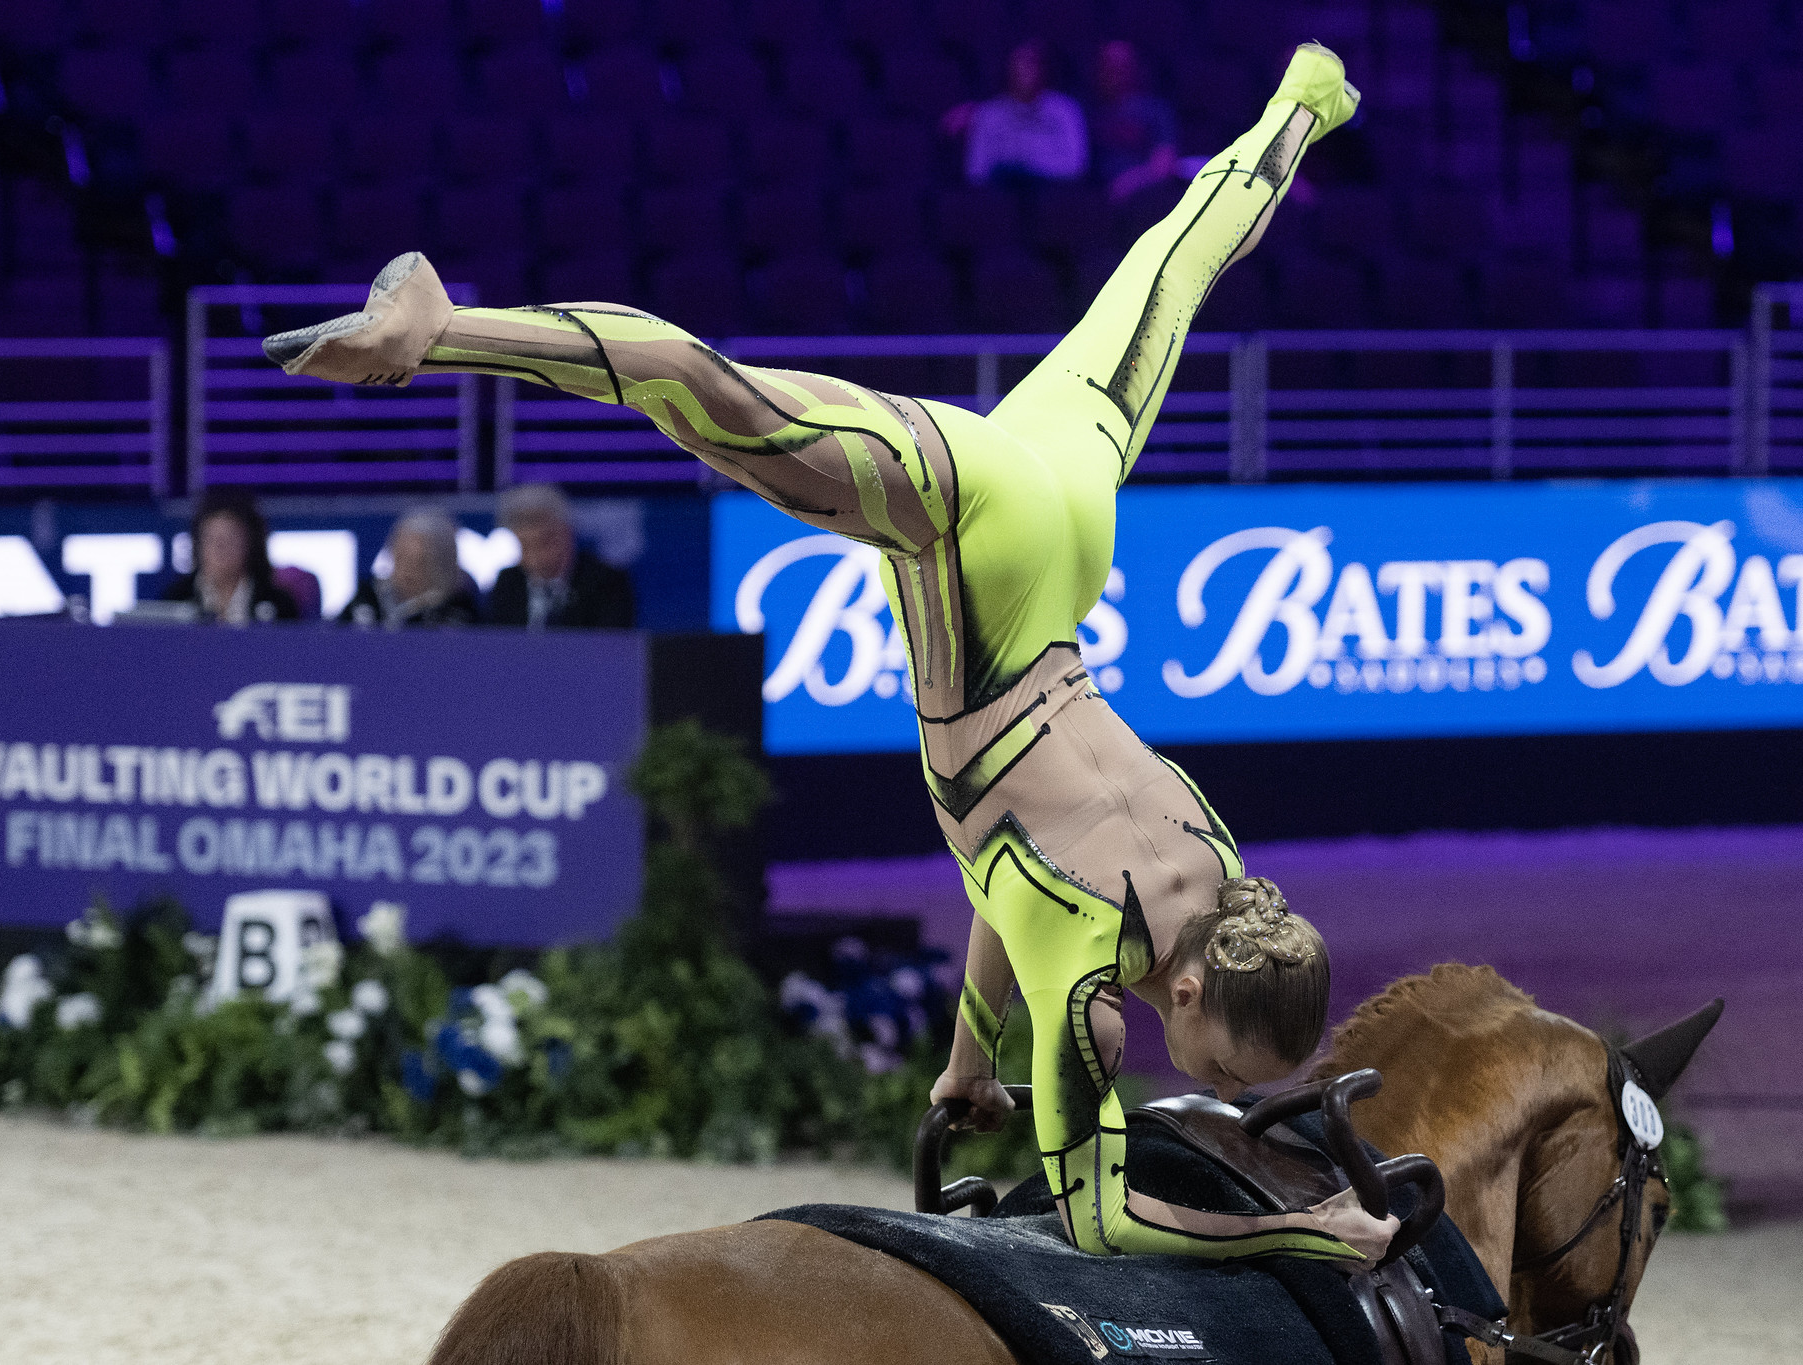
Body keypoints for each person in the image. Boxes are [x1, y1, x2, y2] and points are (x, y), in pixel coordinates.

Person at [264, 45, 1392, 1264]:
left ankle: (1297, 103)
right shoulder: (1088, 969)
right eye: (1220, 1069)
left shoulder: (1220, 865)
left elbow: (1003, 876)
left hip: (1067, 511)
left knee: (1167, 273)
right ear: (1185, 997)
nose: (1214, 1091)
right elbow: (1102, 1217)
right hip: (977, 543)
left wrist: (968, 1064)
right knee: (723, 404)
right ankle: (441, 328)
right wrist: (1308, 1230)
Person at [484, 484, 636, 629]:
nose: (535, 555)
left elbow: (609, 647)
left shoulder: (606, 582)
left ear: (566, 532)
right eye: (525, 545)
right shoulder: (508, 582)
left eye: (544, 541)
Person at [942, 39, 1088, 187]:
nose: (1024, 70)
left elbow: (1076, 166)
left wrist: (1028, 171)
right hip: (999, 201)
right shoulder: (988, 114)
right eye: (1018, 63)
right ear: (1008, 68)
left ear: (1044, 69)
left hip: (1053, 198)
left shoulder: (1066, 111)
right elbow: (976, 171)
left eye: (1031, 63)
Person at [161, 490, 301, 624]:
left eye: (231, 539)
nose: (220, 549)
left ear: (250, 543)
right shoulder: (173, 600)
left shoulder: (280, 606)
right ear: (198, 544)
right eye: (212, 539)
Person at [340, 506, 482, 627]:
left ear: (443, 565)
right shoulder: (366, 598)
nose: (408, 570)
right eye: (401, 558)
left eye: (421, 562)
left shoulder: (458, 612)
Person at [1090, 39, 1182, 203]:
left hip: (1142, 197)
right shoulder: (1087, 110)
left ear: (1134, 68)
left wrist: (1126, 183)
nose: (1113, 74)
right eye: (1107, 66)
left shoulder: (1156, 111)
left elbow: (1164, 165)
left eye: (1120, 67)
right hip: (1094, 197)